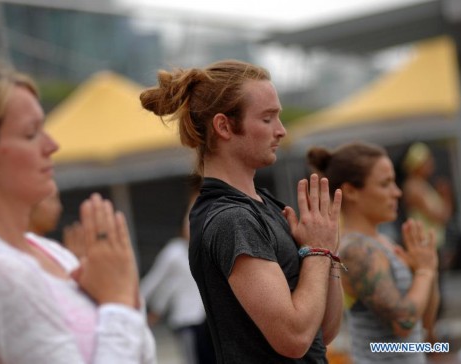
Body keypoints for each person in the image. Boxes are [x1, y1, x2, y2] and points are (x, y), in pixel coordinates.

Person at [0, 60, 156, 363]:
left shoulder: (48, 252)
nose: (52, 145)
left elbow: (143, 351)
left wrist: (117, 295)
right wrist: (120, 300)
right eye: (31, 134)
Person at [140, 59, 343, 363]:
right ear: (223, 126)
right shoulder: (231, 219)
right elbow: (294, 338)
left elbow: (323, 331)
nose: (281, 131)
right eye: (267, 119)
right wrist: (318, 250)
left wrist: (327, 256)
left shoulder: (264, 205)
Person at [307, 141, 439, 363]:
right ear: (351, 191)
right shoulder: (356, 250)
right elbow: (404, 322)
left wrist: (427, 271)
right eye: (385, 184)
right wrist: (425, 272)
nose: (396, 192)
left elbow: (423, 324)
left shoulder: (383, 242)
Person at [140, 192, 215, 364]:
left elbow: (173, 287)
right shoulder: (174, 251)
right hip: (188, 321)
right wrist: (133, 304)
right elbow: (155, 281)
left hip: (210, 321)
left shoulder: (209, 249)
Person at [401, 142, 454, 267]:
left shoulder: (422, 185)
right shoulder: (414, 187)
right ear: (418, 164)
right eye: (427, 161)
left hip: (431, 243)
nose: (431, 164)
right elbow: (440, 216)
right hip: (425, 244)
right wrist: (446, 196)